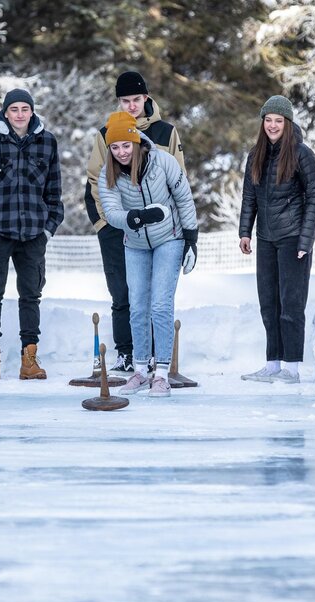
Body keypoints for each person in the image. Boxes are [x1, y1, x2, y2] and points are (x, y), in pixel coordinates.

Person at [84, 71, 186, 373]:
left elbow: (179, 180)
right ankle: (127, 353)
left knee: (153, 296)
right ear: (119, 101)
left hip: (159, 230)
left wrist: (177, 225)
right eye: (125, 100)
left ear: (146, 98)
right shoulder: (106, 133)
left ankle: (154, 355)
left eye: (136, 100)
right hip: (117, 225)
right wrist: (104, 224)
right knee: (122, 292)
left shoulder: (166, 132)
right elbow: (95, 180)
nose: (131, 106)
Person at [0, 88, 64, 381]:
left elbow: (54, 192)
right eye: (14, 109)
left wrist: (47, 230)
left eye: (25, 109)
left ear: (32, 111)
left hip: (33, 234)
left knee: (31, 296)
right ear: (5, 113)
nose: (20, 114)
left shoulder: (47, 142)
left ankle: (29, 360)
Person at [97, 111, 198, 398]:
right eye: (115, 147)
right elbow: (111, 212)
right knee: (137, 306)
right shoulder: (108, 173)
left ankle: (161, 374)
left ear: (136, 141)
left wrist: (191, 239)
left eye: (125, 145)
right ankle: (140, 371)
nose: (121, 152)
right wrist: (137, 217)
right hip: (136, 243)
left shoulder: (163, 162)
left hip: (170, 238)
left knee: (160, 305)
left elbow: (184, 198)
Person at [238, 96, 315, 384]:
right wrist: (245, 231)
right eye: (268, 120)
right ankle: (272, 364)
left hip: (292, 239)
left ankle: (292, 368)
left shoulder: (301, 154)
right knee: (269, 303)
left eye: (278, 120)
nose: (272, 125)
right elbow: (249, 196)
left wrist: (305, 241)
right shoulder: (256, 155)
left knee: (291, 304)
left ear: (287, 123)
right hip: (266, 238)